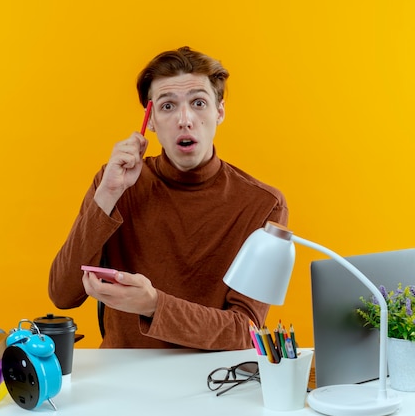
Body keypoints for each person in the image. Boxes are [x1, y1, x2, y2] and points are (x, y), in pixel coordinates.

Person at [49, 47, 288, 350]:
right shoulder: (115, 184)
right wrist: (107, 195)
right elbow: (62, 294)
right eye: (167, 106)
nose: (185, 119)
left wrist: (154, 306)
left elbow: (246, 332)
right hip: (122, 376)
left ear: (220, 112)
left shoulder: (263, 204)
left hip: (215, 381)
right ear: (149, 121)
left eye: (199, 103)